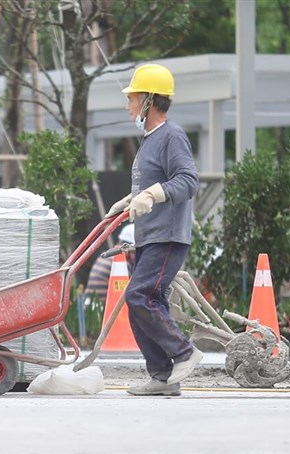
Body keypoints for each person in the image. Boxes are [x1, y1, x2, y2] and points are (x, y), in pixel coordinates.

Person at [105, 63, 203, 396]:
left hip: (168, 235)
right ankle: (163, 377)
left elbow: (187, 181)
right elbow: (153, 182)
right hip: (149, 234)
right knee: (144, 301)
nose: (128, 104)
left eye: (132, 97)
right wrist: (131, 198)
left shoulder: (171, 135)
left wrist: (152, 194)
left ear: (148, 101)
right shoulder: (150, 139)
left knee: (138, 295)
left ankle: (184, 352)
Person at [85, 223, 135, 300]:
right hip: (104, 308)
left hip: (91, 306)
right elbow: (124, 295)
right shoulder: (121, 264)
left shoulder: (107, 256)